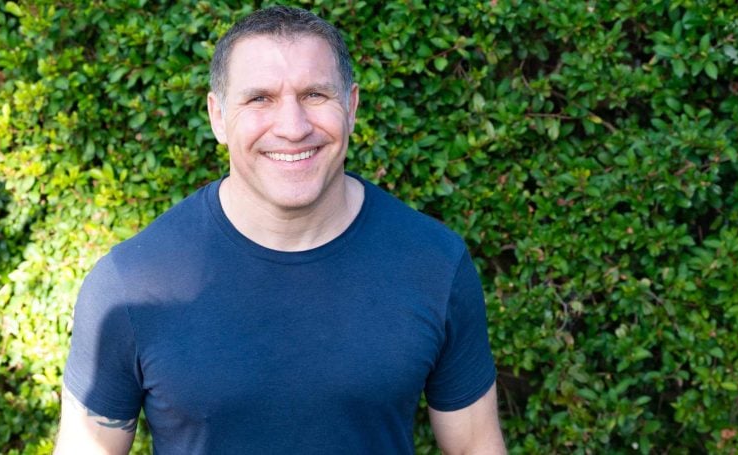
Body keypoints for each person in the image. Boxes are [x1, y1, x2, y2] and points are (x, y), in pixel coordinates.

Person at [55, 5, 505, 454]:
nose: (292, 127)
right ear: (217, 117)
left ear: (351, 107)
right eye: (259, 99)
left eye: (314, 95)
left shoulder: (433, 263)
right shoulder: (131, 283)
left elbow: (473, 446)